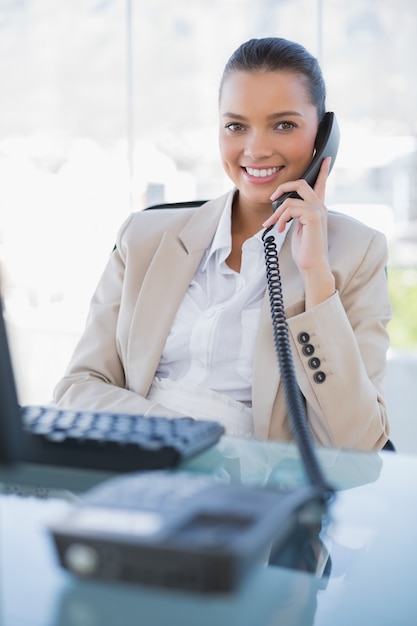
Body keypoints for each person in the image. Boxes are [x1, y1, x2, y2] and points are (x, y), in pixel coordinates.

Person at [53, 37, 392, 450]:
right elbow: (78, 388)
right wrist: (181, 435)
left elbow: (355, 444)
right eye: (236, 126)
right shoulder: (143, 237)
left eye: (284, 124)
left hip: (253, 495)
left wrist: (316, 279)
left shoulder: (356, 253)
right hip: (137, 470)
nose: (256, 149)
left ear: (323, 137)